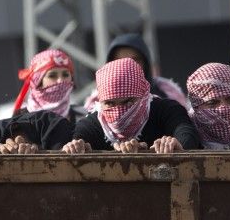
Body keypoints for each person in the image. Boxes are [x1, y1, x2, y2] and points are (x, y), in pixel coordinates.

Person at [64, 58, 201, 152]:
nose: (119, 112)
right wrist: (76, 148)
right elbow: (78, 141)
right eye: (110, 103)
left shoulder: (165, 110)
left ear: (144, 94)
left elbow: (186, 133)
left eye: (128, 102)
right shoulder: (93, 124)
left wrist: (176, 144)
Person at [85, 32, 190, 109]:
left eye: (135, 60)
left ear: (146, 62)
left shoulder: (168, 95)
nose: (128, 65)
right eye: (120, 60)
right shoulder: (96, 102)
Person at [11, 47, 84, 122]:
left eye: (65, 75)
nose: (60, 81)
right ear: (38, 81)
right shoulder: (21, 119)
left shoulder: (83, 116)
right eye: (52, 76)